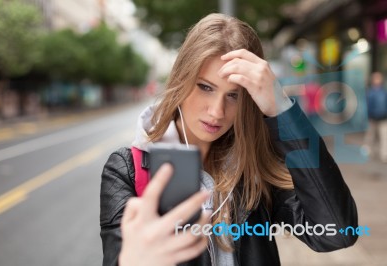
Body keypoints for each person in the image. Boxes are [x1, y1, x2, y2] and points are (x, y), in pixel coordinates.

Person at [100, 13, 358, 266]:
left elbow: (336, 233)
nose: (217, 112)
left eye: (234, 95)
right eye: (205, 87)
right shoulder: (128, 170)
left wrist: (281, 110)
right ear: (182, 79)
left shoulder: (254, 169)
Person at [363, 71, 387, 163]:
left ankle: (384, 154)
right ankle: (367, 150)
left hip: (383, 117)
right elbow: (368, 105)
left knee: (384, 136)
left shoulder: (384, 92)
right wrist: (369, 115)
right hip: (372, 118)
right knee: (370, 135)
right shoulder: (370, 92)